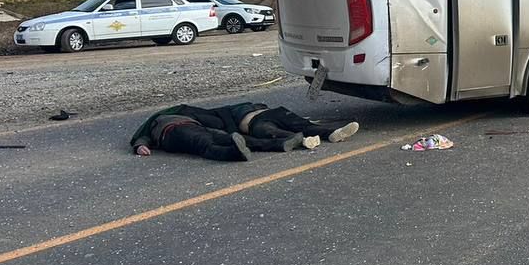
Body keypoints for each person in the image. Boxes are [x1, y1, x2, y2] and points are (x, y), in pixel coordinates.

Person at [131, 103, 359, 160]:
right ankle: (236, 153)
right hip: (174, 133)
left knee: (298, 123)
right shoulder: (162, 119)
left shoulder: (197, 114)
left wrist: (231, 132)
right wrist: (140, 144)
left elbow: (220, 121)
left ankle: (324, 134)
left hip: (256, 116)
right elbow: (142, 131)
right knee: (206, 143)